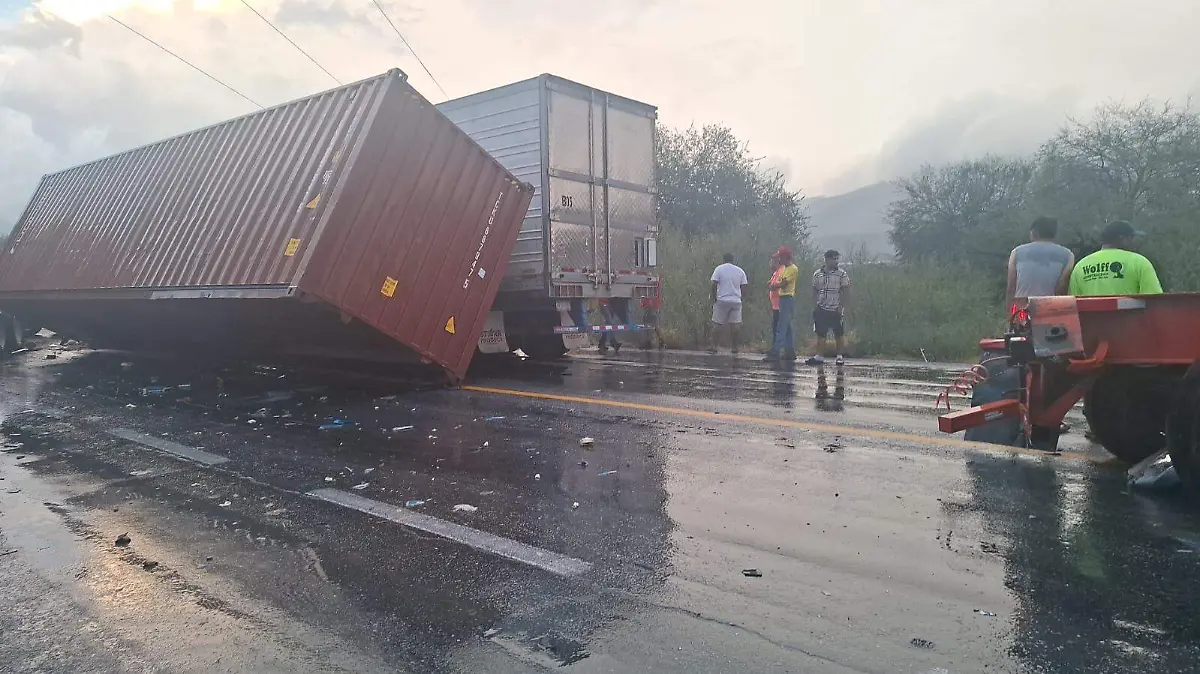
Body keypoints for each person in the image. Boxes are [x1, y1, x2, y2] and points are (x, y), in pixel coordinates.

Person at [1068, 220, 1163, 296]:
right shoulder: (1139, 262)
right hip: (1129, 320)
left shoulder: (1080, 266)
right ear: (1122, 238)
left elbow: (1073, 303)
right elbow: (1154, 300)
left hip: (1090, 320)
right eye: (1131, 237)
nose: (1132, 241)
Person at [1006, 216, 1074, 308]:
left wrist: (1010, 311)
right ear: (1054, 234)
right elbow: (1062, 287)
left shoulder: (1016, 252)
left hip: (1022, 309)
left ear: (1033, 233)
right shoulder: (1068, 255)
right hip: (1051, 308)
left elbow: (1011, 286)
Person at [806, 249, 850, 366]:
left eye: (837, 259)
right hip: (822, 307)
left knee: (838, 333)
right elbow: (814, 290)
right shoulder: (817, 274)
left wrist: (842, 306)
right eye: (833, 259)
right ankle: (819, 356)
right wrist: (814, 305)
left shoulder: (841, 274)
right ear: (826, 259)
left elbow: (845, 291)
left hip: (836, 308)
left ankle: (839, 356)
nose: (836, 261)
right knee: (821, 333)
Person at [763, 247, 799, 361]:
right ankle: (790, 352)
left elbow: (783, 283)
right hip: (782, 298)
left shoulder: (793, 269)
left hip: (787, 298)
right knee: (787, 326)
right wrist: (773, 283)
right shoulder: (784, 269)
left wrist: (774, 286)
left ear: (785, 257)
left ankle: (775, 351)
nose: (779, 259)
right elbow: (777, 280)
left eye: (780, 257)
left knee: (781, 326)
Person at [709, 253, 748, 354]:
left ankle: (714, 346)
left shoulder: (719, 269)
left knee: (717, 324)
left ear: (723, 260)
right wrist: (741, 298)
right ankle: (735, 348)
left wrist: (714, 298)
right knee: (735, 326)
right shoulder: (740, 271)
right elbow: (744, 287)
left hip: (722, 300)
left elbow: (714, 284)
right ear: (732, 260)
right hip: (736, 301)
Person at [639, 278, 666, 350]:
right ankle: (649, 342)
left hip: (652, 306)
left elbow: (654, 293)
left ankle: (661, 342)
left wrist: (650, 304)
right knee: (649, 325)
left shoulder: (653, 280)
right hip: (650, 305)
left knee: (654, 325)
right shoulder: (651, 280)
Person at [767, 254, 784, 341]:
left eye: (771, 262)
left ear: (776, 262)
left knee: (777, 328)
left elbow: (776, 285)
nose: (770, 264)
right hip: (775, 305)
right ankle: (775, 347)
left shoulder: (781, 271)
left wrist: (771, 285)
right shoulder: (776, 272)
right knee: (775, 327)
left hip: (780, 305)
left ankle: (777, 348)